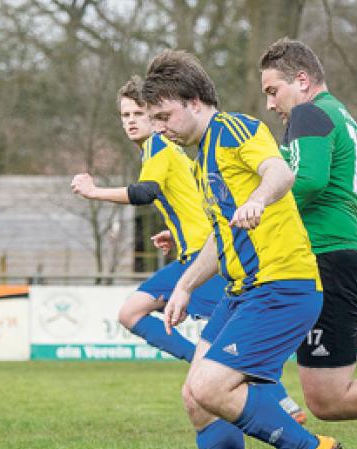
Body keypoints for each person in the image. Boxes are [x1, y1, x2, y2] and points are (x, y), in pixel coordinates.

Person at [141, 50, 340, 449]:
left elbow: (280, 173)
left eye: (164, 116)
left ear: (193, 102)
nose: (160, 128)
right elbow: (218, 236)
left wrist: (256, 199)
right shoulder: (199, 159)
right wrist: (186, 285)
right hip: (242, 290)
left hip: (283, 285)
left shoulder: (235, 129)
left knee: (212, 385)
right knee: (196, 393)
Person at [69, 77, 306, 426]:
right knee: (219, 347)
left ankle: (276, 402)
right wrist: (175, 235)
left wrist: (94, 192)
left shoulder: (158, 148)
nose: (131, 120)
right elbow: (197, 202)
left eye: (139, 113)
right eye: (124, 114)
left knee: (134, 314)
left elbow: (146, 191)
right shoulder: (176, 153)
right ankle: (271, 402)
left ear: (155, 117)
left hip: (206, 256)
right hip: (195, 249)